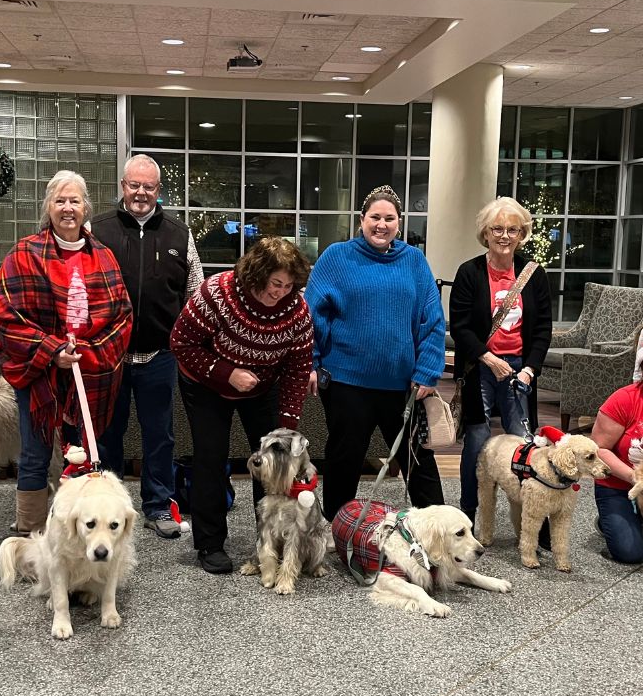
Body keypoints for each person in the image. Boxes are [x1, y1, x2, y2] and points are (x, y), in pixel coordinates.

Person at [0, 170, 133, 535]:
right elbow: (6, 316)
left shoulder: (103, 256)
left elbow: (121, 315)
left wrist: (86, 351)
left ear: (85, 207)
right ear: (48, 207)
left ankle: (79, 534)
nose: (68, 208)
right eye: (60, 201)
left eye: (74, 200)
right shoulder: (24, 253)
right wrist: (53, 350)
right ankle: (30, 533)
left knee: (87, 454)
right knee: (35, 456)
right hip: (39, 375)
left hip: (90, 374)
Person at [171, 236, 313, 574]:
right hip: (205, 383)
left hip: (262, 387)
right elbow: (180, 342)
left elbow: (297, 368)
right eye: (275, 283)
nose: (280, 292)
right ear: (257, 273)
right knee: (211, 456)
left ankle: (267, 542)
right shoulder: (216, 293)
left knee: (272, 461)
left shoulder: (296, 310)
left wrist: (287, 424)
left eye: (288, 285)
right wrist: (227, 373)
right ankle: (209, 544)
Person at [306, 185, 445, 522]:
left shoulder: (413, 261)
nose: (381, 224)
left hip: (402, 385)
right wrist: (310, 363)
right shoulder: (336, 257)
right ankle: (338, 528)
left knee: (417, 458)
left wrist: (428, 370)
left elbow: (432, 319)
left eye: (389, 218)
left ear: (399, 222)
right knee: (344, 458)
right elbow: (311, 315)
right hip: (346, 383)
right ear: (361, 220)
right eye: (375, 217)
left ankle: (440, 527)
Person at [94, 154, 204, 540]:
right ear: (122, 186)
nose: (141, 193)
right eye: (134, 185)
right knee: (109, 435)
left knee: (160, 435)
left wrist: (190, 346)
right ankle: (108, 507)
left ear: (159, 190)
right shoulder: (97, 230)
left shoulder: (179, 233)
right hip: (109, 355)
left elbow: (195, 294)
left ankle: (158, 505)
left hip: (160, 354)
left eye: (149, 187)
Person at [449, 197, 552, 525]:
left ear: (522, 234)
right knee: (477, 441)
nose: (505, 235)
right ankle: (467, 514)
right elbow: (461, 326)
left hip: (520, 368)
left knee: (523, 443)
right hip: (480, 367)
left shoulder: (534, 274)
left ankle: (531, 520)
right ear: (485, 232)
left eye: (513, 229)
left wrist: (530, 369)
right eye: (497, 228)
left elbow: (543, 329)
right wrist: (488, 357)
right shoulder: (469, 272)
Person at [591, 370, 643, 564]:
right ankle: (611, 520)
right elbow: (599, 449)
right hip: (619, 486)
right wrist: (635, 478)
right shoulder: (625, 398)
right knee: (631, 552)